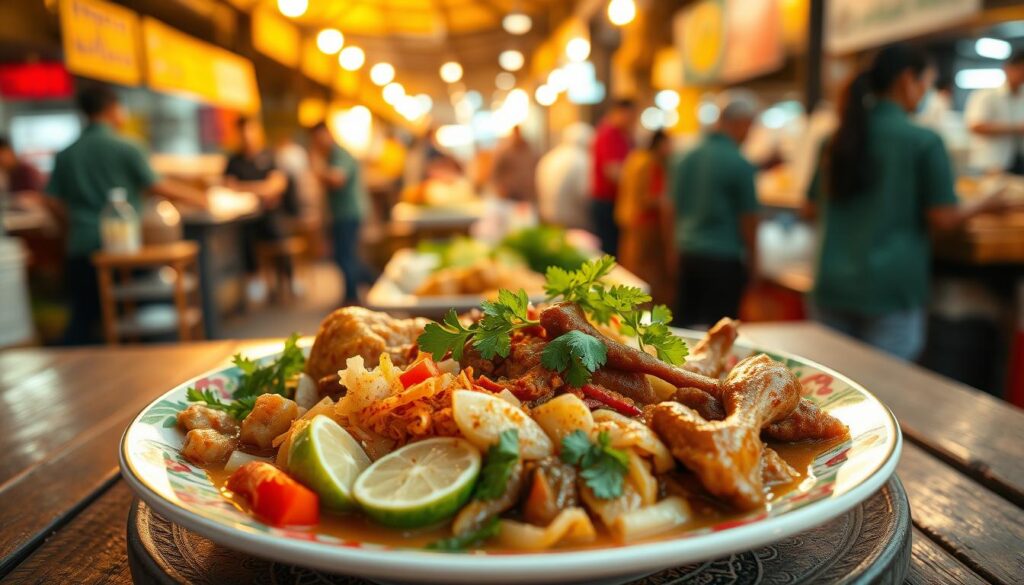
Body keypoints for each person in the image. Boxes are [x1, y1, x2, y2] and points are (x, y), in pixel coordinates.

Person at [807, 44, 1011, 361]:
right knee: (885, 396)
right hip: (890, 290)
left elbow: (809, 208)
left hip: (831, 284)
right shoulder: (923, 141)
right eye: (926, 83)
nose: (926, 92)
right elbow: (943, 219)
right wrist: (987, 204)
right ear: (907, 81)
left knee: (829, 396)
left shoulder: (834, 139)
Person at [45, 84, 205, 344]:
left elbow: (50, 200)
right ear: (112, 109)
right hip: (125, 251)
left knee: (85, 321)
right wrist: (201, 199)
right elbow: (158, 186)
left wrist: (72, 222)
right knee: (139, 317)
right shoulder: (127, 147)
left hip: (81, 246)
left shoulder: (66, 154)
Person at [671, 90, 761, 328]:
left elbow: (669, 208)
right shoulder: (740, 163)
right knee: (720, 331)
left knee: (683, 330)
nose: (749, 134)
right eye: (749, 126)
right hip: (724, 261)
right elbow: (749, 218)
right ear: (739, 122)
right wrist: (754, 261)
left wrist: (672, 250)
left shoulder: (685, 158)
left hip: (687, 253)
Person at [223, 116, 290, 303]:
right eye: (243, 132)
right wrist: (261, 188)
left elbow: (276, 186)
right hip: (244, 216)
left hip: (270, 214)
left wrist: (243, 188)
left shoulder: (269, 156)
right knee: (243, 237)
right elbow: (227, 188)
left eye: (250, 131)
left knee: (278, 233)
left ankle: (287, 278)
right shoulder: (233, 160)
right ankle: (253, 278)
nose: (247, 136)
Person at [308, 121, 372, 305]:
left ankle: (353, 296)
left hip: (348, 213)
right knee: (344, 255)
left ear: (327, 134)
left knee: (345, 256)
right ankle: (366, 285)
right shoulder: (331, 156)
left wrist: (317, 169)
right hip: (341, 214)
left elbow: (337, 179)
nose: (317, 142)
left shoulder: (340, 154)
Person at [616, 130, 674, 304]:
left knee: (632, 269)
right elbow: (652, 197)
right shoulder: (651, 163)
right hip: (647, 224)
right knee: (649, 272)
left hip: (629, 220)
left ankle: (632, 306)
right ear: (661, 144)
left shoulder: (634, 159)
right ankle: (647, 308)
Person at [964, 48, 1024, 174]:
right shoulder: (986, 95)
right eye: (1020, 69)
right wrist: (1016, 128)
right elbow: (976, 126)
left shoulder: (1022, 97)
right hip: (991, 163)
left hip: (1017, 161)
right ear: (1008, 68)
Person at [591, 98, 636, 254]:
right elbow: (612, 171)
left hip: (615, 199)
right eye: (630, 116)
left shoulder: (624, 134)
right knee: (609, 251)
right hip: (606, 201)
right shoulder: (608, 134)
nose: (632, 120)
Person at [536, 122, 593, 231]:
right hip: (573, 220)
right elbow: (584, 193)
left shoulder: (551, 156)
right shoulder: (582, 160)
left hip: (547, 217)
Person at [490, 125, 537, 203]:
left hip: (526, 191)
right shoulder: (505, 151)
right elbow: (496, 171)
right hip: (511, 191)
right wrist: (499, 187)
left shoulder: (528, 150)